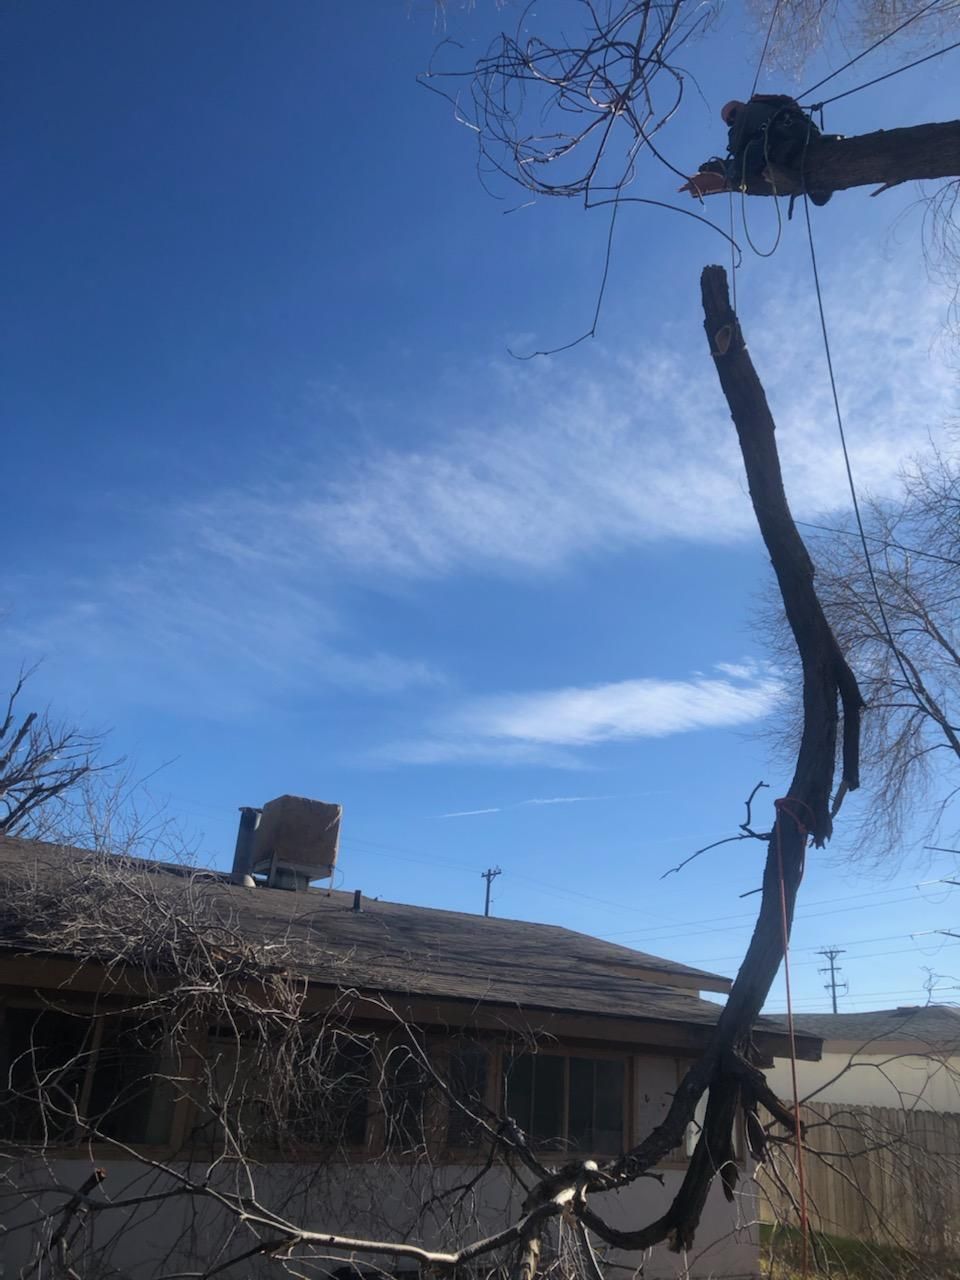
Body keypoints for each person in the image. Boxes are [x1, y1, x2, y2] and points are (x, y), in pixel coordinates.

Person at [679, 94, 833, 205]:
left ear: (741, 105)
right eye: (729, 122)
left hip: (784, 143)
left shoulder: (748, 113)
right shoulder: (771, 106)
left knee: (740, 168)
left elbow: (737, 149)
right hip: (806, 134)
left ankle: (808, 176)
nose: (733, 120)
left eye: (732, 114)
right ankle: (815, 181)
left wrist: (720, 173)